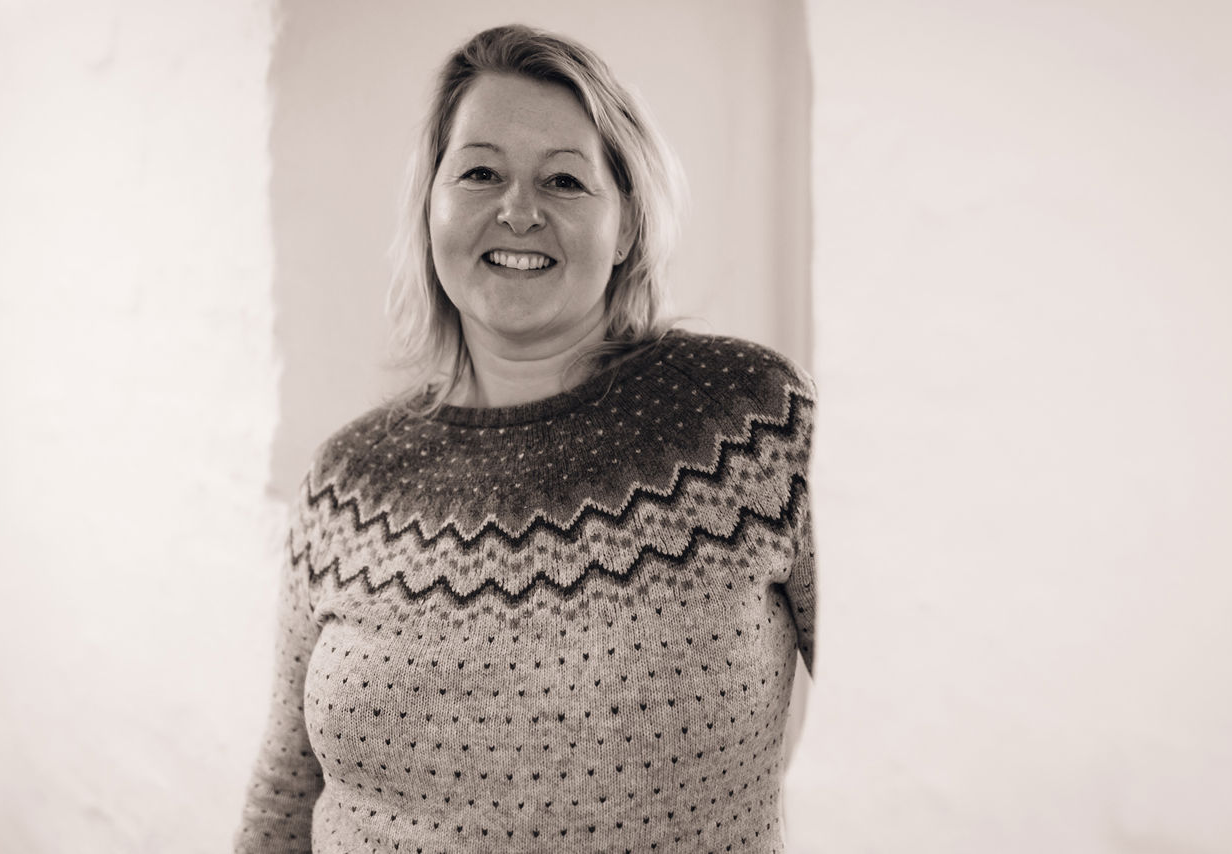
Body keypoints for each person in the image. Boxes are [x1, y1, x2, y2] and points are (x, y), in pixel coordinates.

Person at [234, 23, 817, 854]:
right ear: (431, 208)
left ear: (626, 226)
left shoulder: (748, 421)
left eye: (565, 180)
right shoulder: (348, 479)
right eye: (479, 172)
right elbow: (286, 787)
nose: (518, 210)